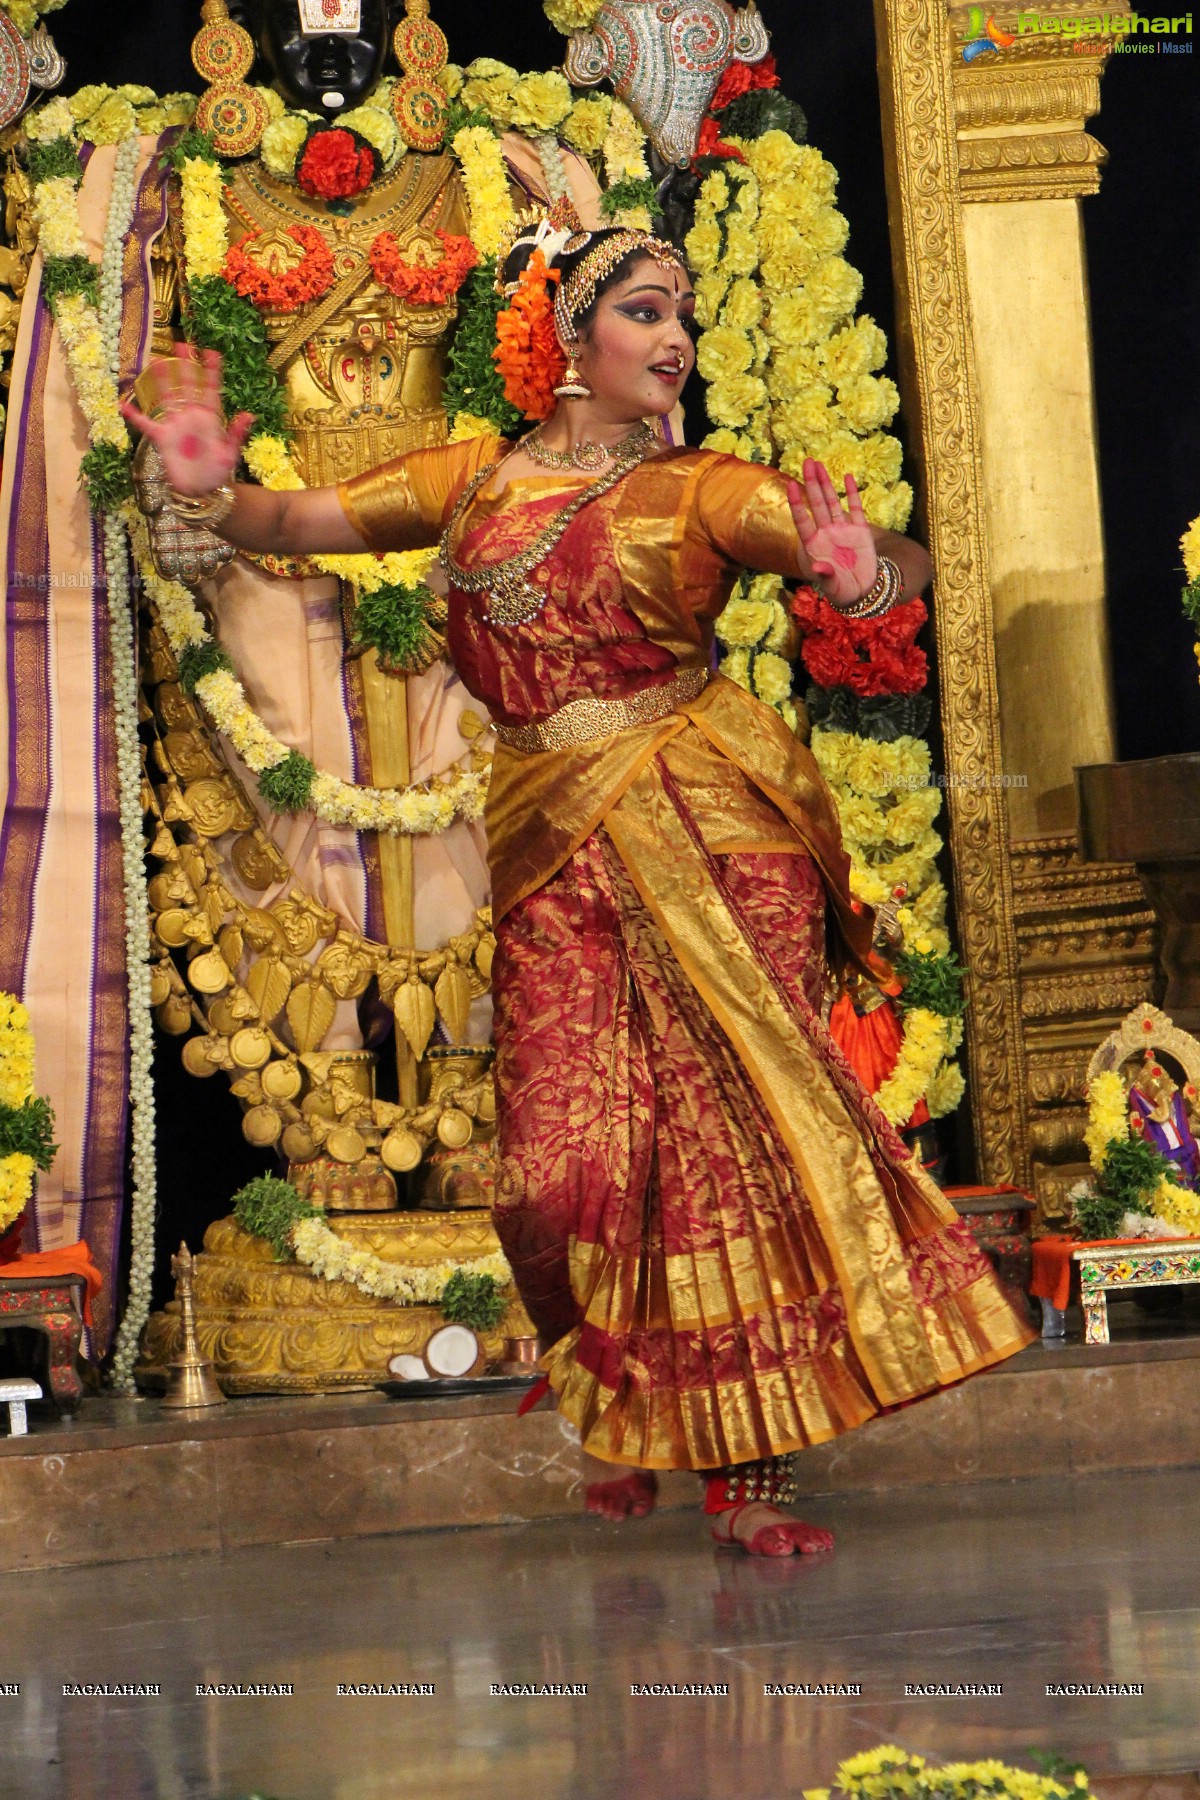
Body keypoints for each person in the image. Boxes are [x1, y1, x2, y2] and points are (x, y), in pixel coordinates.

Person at [123, 220, 1035, 1557]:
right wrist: (209, 481)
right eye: (647, 313)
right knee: (558, 1178)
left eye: (685, 319)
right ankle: (631, 1398)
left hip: (717, 834)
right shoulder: (473, 483)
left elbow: (877, 554)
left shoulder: (703, 491)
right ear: (572, 336)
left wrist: (859, 569)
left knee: (737, 1148)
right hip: (553, 843)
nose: (674, 340)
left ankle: (750, 1470)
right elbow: (288, 522)